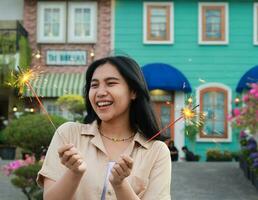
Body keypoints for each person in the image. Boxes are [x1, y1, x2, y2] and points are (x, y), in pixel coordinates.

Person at [37, 56, 171, 200]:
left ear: (133, 91)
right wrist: (74, 173)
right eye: (94, 85)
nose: (100, 92)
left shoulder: (156, 151)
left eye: (111, 83)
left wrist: (120, 185)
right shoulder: (68, 135)